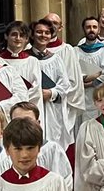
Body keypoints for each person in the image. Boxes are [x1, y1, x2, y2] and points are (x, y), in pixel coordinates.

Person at [29, 17, 74, 151]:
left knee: (53, 144)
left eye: (47, 32)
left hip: (51, 108)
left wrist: (51, 93)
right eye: (39, 32)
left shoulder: (55, 59)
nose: (43, 35)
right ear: (32, 34)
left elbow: (65, 84)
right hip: (32, 107)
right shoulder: (26, 59)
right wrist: (36, 94)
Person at [43, 12, 87, 146]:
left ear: (61, 27)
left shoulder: (67, 50)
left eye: (55, 23)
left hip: (60, 106)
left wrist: (55, 94)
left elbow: (74, 82)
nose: (51, 26)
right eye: (48, 22)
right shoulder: (29, 51)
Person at [0, 21, 44, 113]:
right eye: (14, 34)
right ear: (6, 36)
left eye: (22, 35)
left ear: (26, 39)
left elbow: (36, 89)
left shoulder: (32, 61)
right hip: (3, 108)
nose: (18, 38)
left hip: (25, 109)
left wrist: (19, 100)